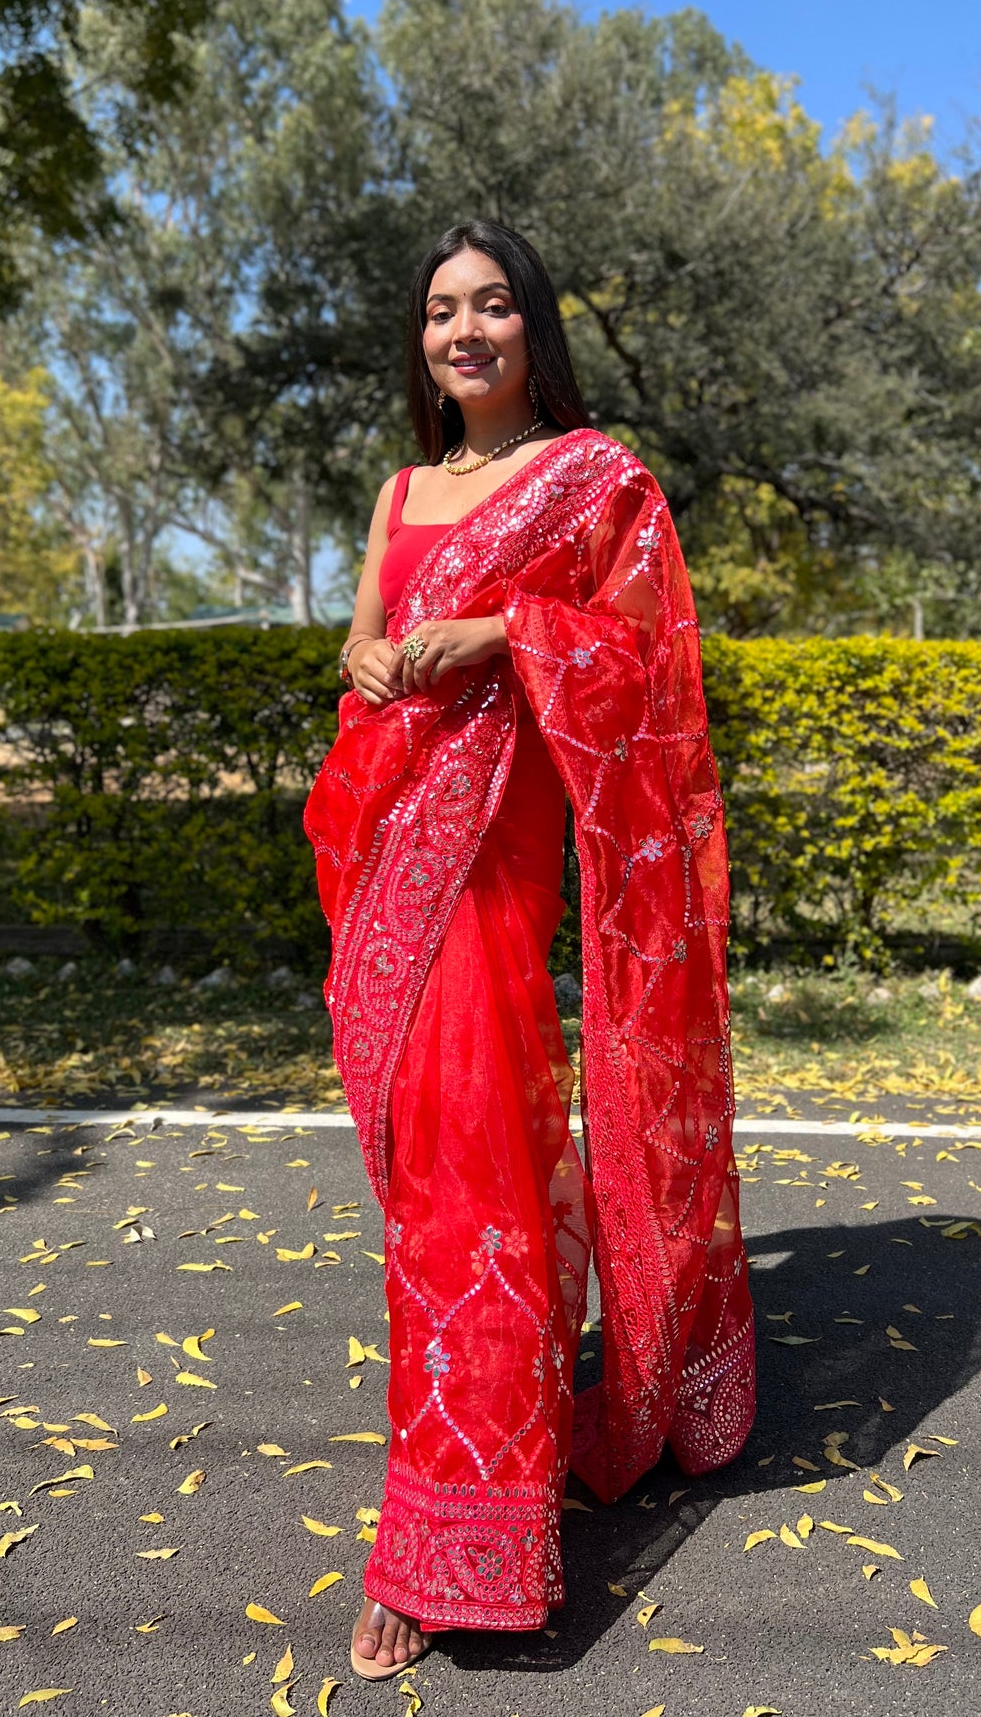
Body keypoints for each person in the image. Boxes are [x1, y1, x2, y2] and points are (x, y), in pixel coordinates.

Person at [303, 219, 755, 1680]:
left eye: (492, 305)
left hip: (491, 877)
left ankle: (448, 1538)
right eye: (442, 310)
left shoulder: (592, 479)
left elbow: (639, 662)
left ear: (531, 330)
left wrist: (498, 636)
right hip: (382, 862)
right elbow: (365, 642)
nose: (465, 329)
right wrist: (377, 655)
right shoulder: (396, 488)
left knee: (477, 1186)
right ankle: (473, 1466)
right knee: (429, 1183)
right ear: (420, 342)